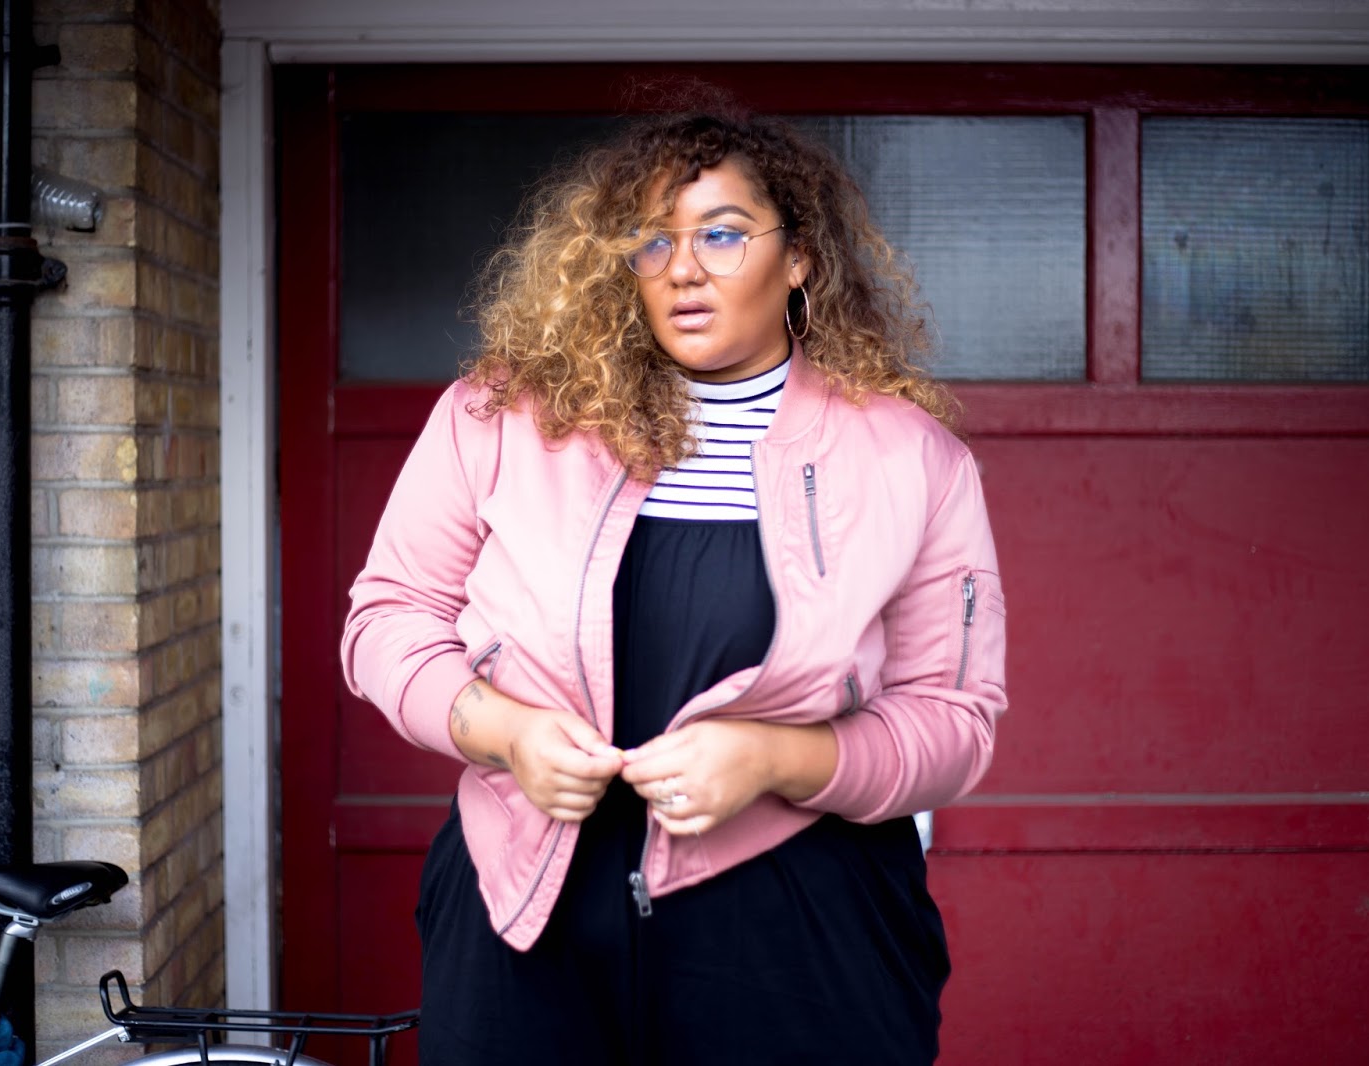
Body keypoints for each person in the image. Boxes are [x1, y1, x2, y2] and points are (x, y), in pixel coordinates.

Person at [341, 105, 1008, 1065]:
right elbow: (388, 619)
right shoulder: (497, 419)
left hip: (805, 927)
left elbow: (953, 720)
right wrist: (507, 733)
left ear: (800, 257)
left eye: (723, 234)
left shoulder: (913, 459)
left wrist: (776, 759)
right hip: (526, 913)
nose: (683, 267)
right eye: (653, 240)